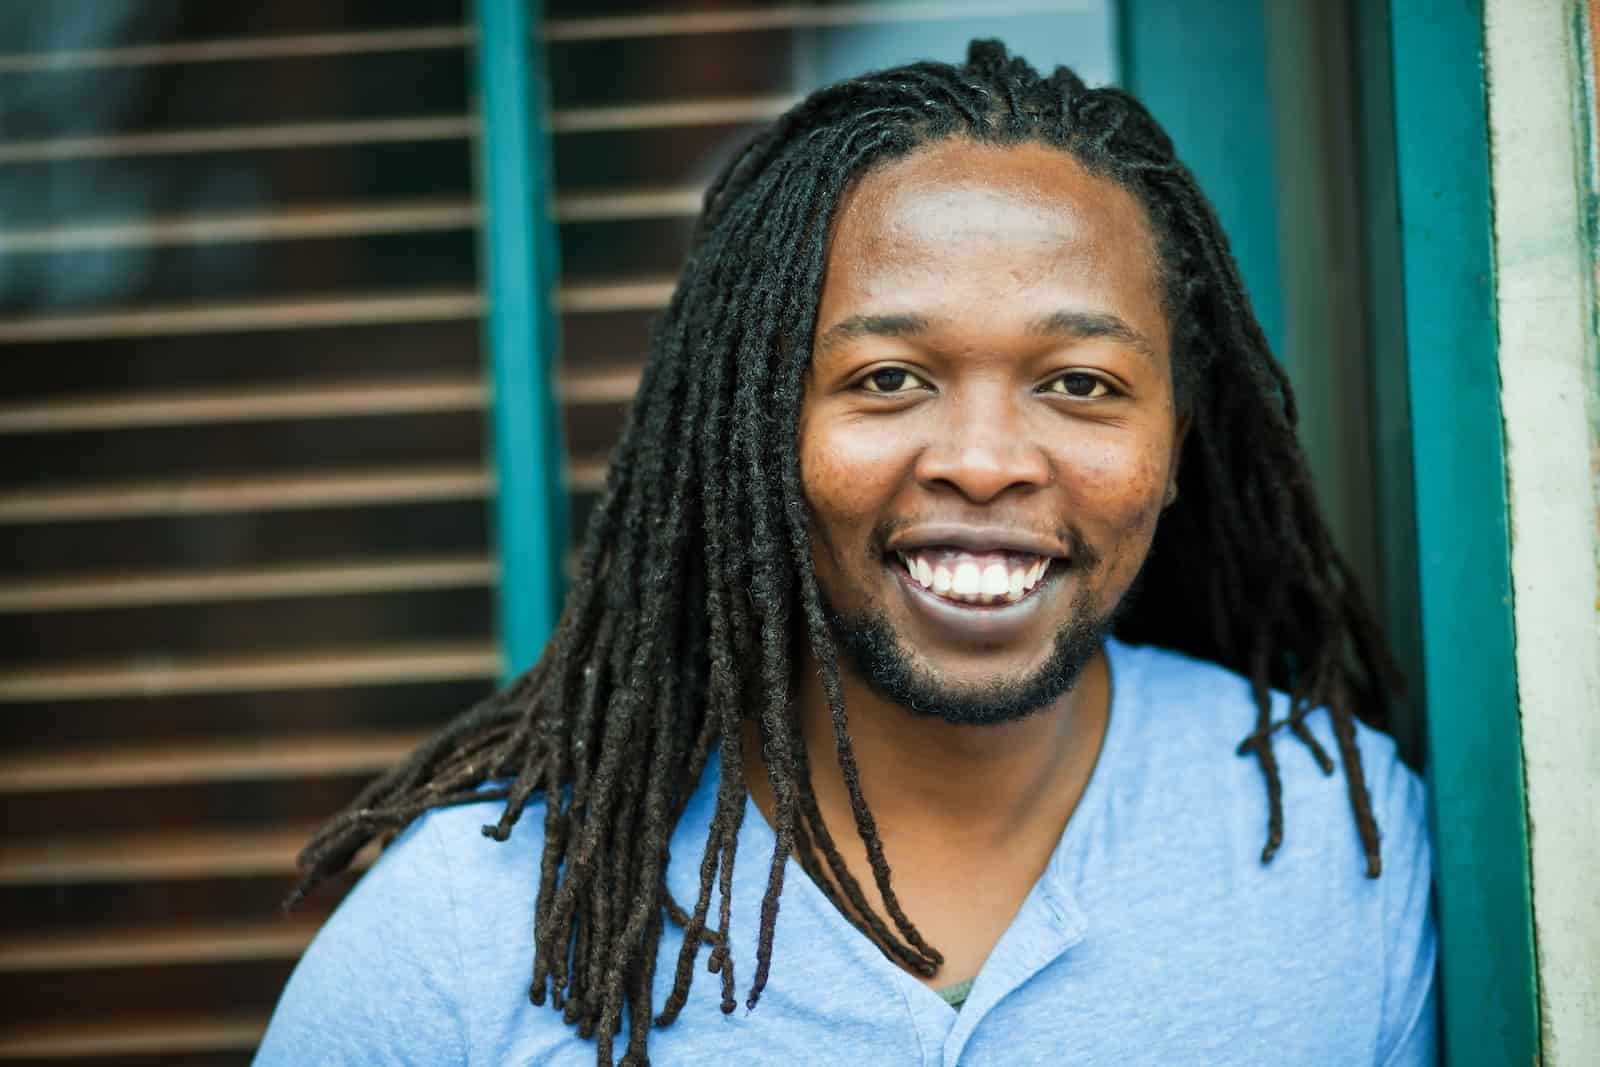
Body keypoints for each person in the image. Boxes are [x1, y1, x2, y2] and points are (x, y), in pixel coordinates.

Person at [257, 41, 1435, 1066]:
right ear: (757, 427)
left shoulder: (1340, 841)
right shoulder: (475, 920)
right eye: (887, 379)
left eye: (1080, 383)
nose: (983, 459)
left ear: (1174, 445)